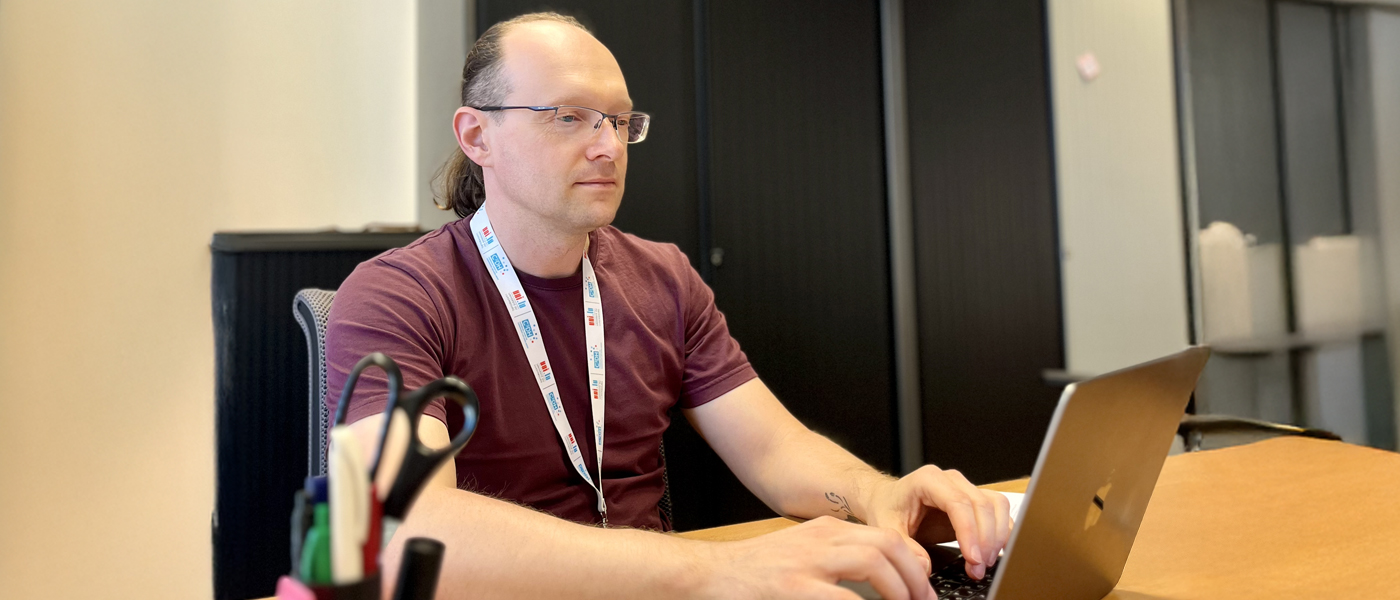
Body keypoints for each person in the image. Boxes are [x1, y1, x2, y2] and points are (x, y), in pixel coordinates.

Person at [326, 12, 1011, 599]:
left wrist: (876, 494)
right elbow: (399, 525)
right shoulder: (397, 295)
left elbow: (774, 450)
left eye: (620, 121)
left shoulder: (663, 278)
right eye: (568, 117)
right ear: (477, 137)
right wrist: (714, 569)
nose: (607, 146)